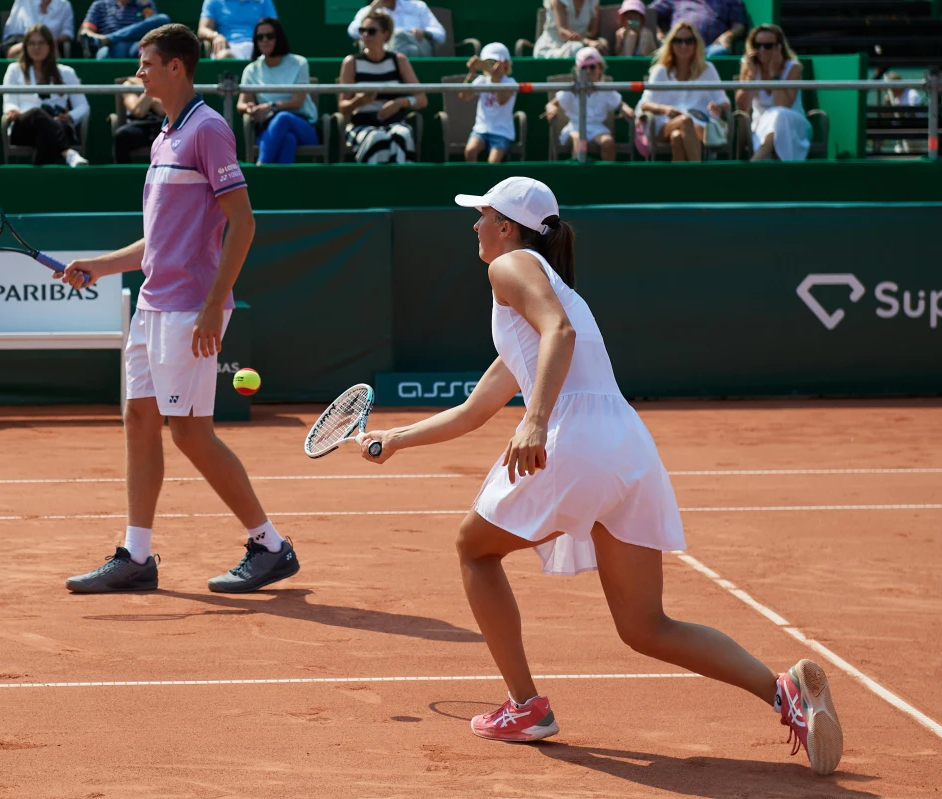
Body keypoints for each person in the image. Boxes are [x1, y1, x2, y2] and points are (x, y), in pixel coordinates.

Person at [354, 175, 844, 776]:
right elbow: (478, 407)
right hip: (627, 447)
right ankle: (783, 692)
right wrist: (396, 439)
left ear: (507, 226)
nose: (474, 225)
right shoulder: (551, 294)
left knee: (472, 550)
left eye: (482, 215)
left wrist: (535, 423)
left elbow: (555, 337)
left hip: (576, 438)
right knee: (647, 626)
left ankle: (524, 707)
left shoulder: (511, 268)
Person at [60, 23, 299, 595]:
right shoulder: (163, 137)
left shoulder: (207, 129)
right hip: (151, 306)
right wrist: (99, 265)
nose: (138, 73)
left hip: (191, 308)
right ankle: (136, 556)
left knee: (190, 434)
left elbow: (243, 223)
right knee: (140, 420)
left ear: (176, 67)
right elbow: (157, 241)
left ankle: (269, 545)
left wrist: (215, 307)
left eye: (146, 63)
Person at [338, 9, 426, 164]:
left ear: (385, 34)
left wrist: (400, 103)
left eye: (371, 31)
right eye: (362, 31)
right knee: (377, 138)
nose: (365, 35)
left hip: (395, 123)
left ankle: (400, 185)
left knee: (402, 136)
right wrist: (358, 101)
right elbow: (343, 107)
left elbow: (421, 99)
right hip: (362, 125)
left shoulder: (399, 61)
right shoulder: (351, 63)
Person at [635, 21, 729, 161]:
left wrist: (718, 107)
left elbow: (724, 102)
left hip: (699, 126)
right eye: (678, 41)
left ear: (696, 44)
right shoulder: (660, 71)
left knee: (677, 137)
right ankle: (699, 174)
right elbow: (645, 104)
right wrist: (666, 110)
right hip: (664, 127)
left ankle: (681, 180)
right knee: (685, 121)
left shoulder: (708, 69)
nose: (683, 45)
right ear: (670, 44)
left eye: (688, 41)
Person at [2, 24, 89, 166]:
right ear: (25, 46)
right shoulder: (14, 70)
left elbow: (83, 105)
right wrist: (12, 110)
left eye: (41, 43)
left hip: (57, 124)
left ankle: (38, 183)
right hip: (24, 126)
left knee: (45, 134)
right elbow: (9, 102)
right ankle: (68, 153)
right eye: (32, 43)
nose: (37, 48)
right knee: (37, 113)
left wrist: (70, 116)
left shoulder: (67, 72)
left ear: (50, 45)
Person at [237, 17, 317, 165]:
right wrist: (250, 109)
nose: (264, 40)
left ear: (278, 38)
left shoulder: (299, 63)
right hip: (268, 130)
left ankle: (261, 167)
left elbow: (297, 102)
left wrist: (271, 107)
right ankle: (283, 187)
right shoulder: (251, 69)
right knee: (288, 140)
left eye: (270, 36)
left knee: (283, 118)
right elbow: (241, 104)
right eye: (260, 37)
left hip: (303, 127)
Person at [735, 24, 810, 162]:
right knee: (776, 122)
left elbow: (783, 105)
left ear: (779, 47)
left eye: (768, 46)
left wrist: (774, 73)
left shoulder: (793, 67)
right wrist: (751, 76)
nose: (762, 50)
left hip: (792, 123)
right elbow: (742, 106)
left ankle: (753, 164)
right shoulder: (749, 66)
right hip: (760, 124)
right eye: (757, 45)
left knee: (780, 114)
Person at [547, 47, 629, 160]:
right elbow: (551, 104)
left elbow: (620, 104)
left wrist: (625, 109)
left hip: (597, 128)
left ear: (600, 68)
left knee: (608, 142)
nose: (588, 71)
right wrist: (552, 108)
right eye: (584, 68)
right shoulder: (572, 88)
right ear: (577, 70)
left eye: (592, 67)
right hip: (574, 127)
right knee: (580, 140)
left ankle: (608, 175)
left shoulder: (606, 89)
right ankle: (578, 175)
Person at [458, 42, 517, 164]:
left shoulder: (510, 83)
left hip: (502, 132)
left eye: (494, 62)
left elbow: (501, 101)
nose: (491, 66)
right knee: (470, 151)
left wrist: (496, 79)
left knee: (493, 161)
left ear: (505, 63)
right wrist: (471, 73)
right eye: (488, 62)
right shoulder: (481, 80)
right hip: (481, 130)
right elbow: (463, 96)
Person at [346, 0, 443, 58]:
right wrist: (371, 11)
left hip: (418, 47)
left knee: (399, 35)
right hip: (399, 51)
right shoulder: (369, 10)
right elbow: (353, 31)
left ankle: (389, 69)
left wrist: (424, 33)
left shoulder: (418, 6)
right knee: (410, 50)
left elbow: (441, 34)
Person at [649, 0, 746, 58]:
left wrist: (727, 36)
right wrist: (659, 33)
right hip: (679, 45)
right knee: (662, 55)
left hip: (709, 48)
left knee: (719, 52)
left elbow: (739, 26)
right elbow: (649, 13)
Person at [80, 0, 169, 60]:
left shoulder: (144, 4)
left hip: (137, 47)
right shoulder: (100, 4)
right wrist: (98, 37)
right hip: (109, 47)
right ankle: (109, 40)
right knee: (104, 54)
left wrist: (147, 6)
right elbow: (84, 32)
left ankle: (110, 38)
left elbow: (153, 29)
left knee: (163, 18)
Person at [199, 0, 277, 60]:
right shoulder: (213, 1)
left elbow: (274, 28)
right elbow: (202, 30)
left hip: (258, 47)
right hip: (228, 47)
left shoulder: (264, 1)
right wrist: (215, 36)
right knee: (224, 56)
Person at [112, 74, 164, 162]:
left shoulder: (170, 82)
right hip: (139, 126)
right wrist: (151, 89)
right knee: (121, 136)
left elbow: (162, 111)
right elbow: (138, 112)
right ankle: (123, 174)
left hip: (163, 125)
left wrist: (146, 87)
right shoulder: (129, 84)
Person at [533, 0, 607, 59]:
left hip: (581, 47)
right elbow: (562, 32)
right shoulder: (559, 1)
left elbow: (593, 31)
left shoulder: (594, 1)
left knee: (601, 47)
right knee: (576, 48)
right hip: (551, 50)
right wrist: (587, 42)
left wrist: (595, 44)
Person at [1, 0, 74, 59]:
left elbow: (68, 33)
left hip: (51, 43)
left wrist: (49, 40)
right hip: (19, 40)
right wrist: (32, 42)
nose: (36, 47)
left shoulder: (65, 5)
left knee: (46, 44)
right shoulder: (23, 1)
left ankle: (56, 74)